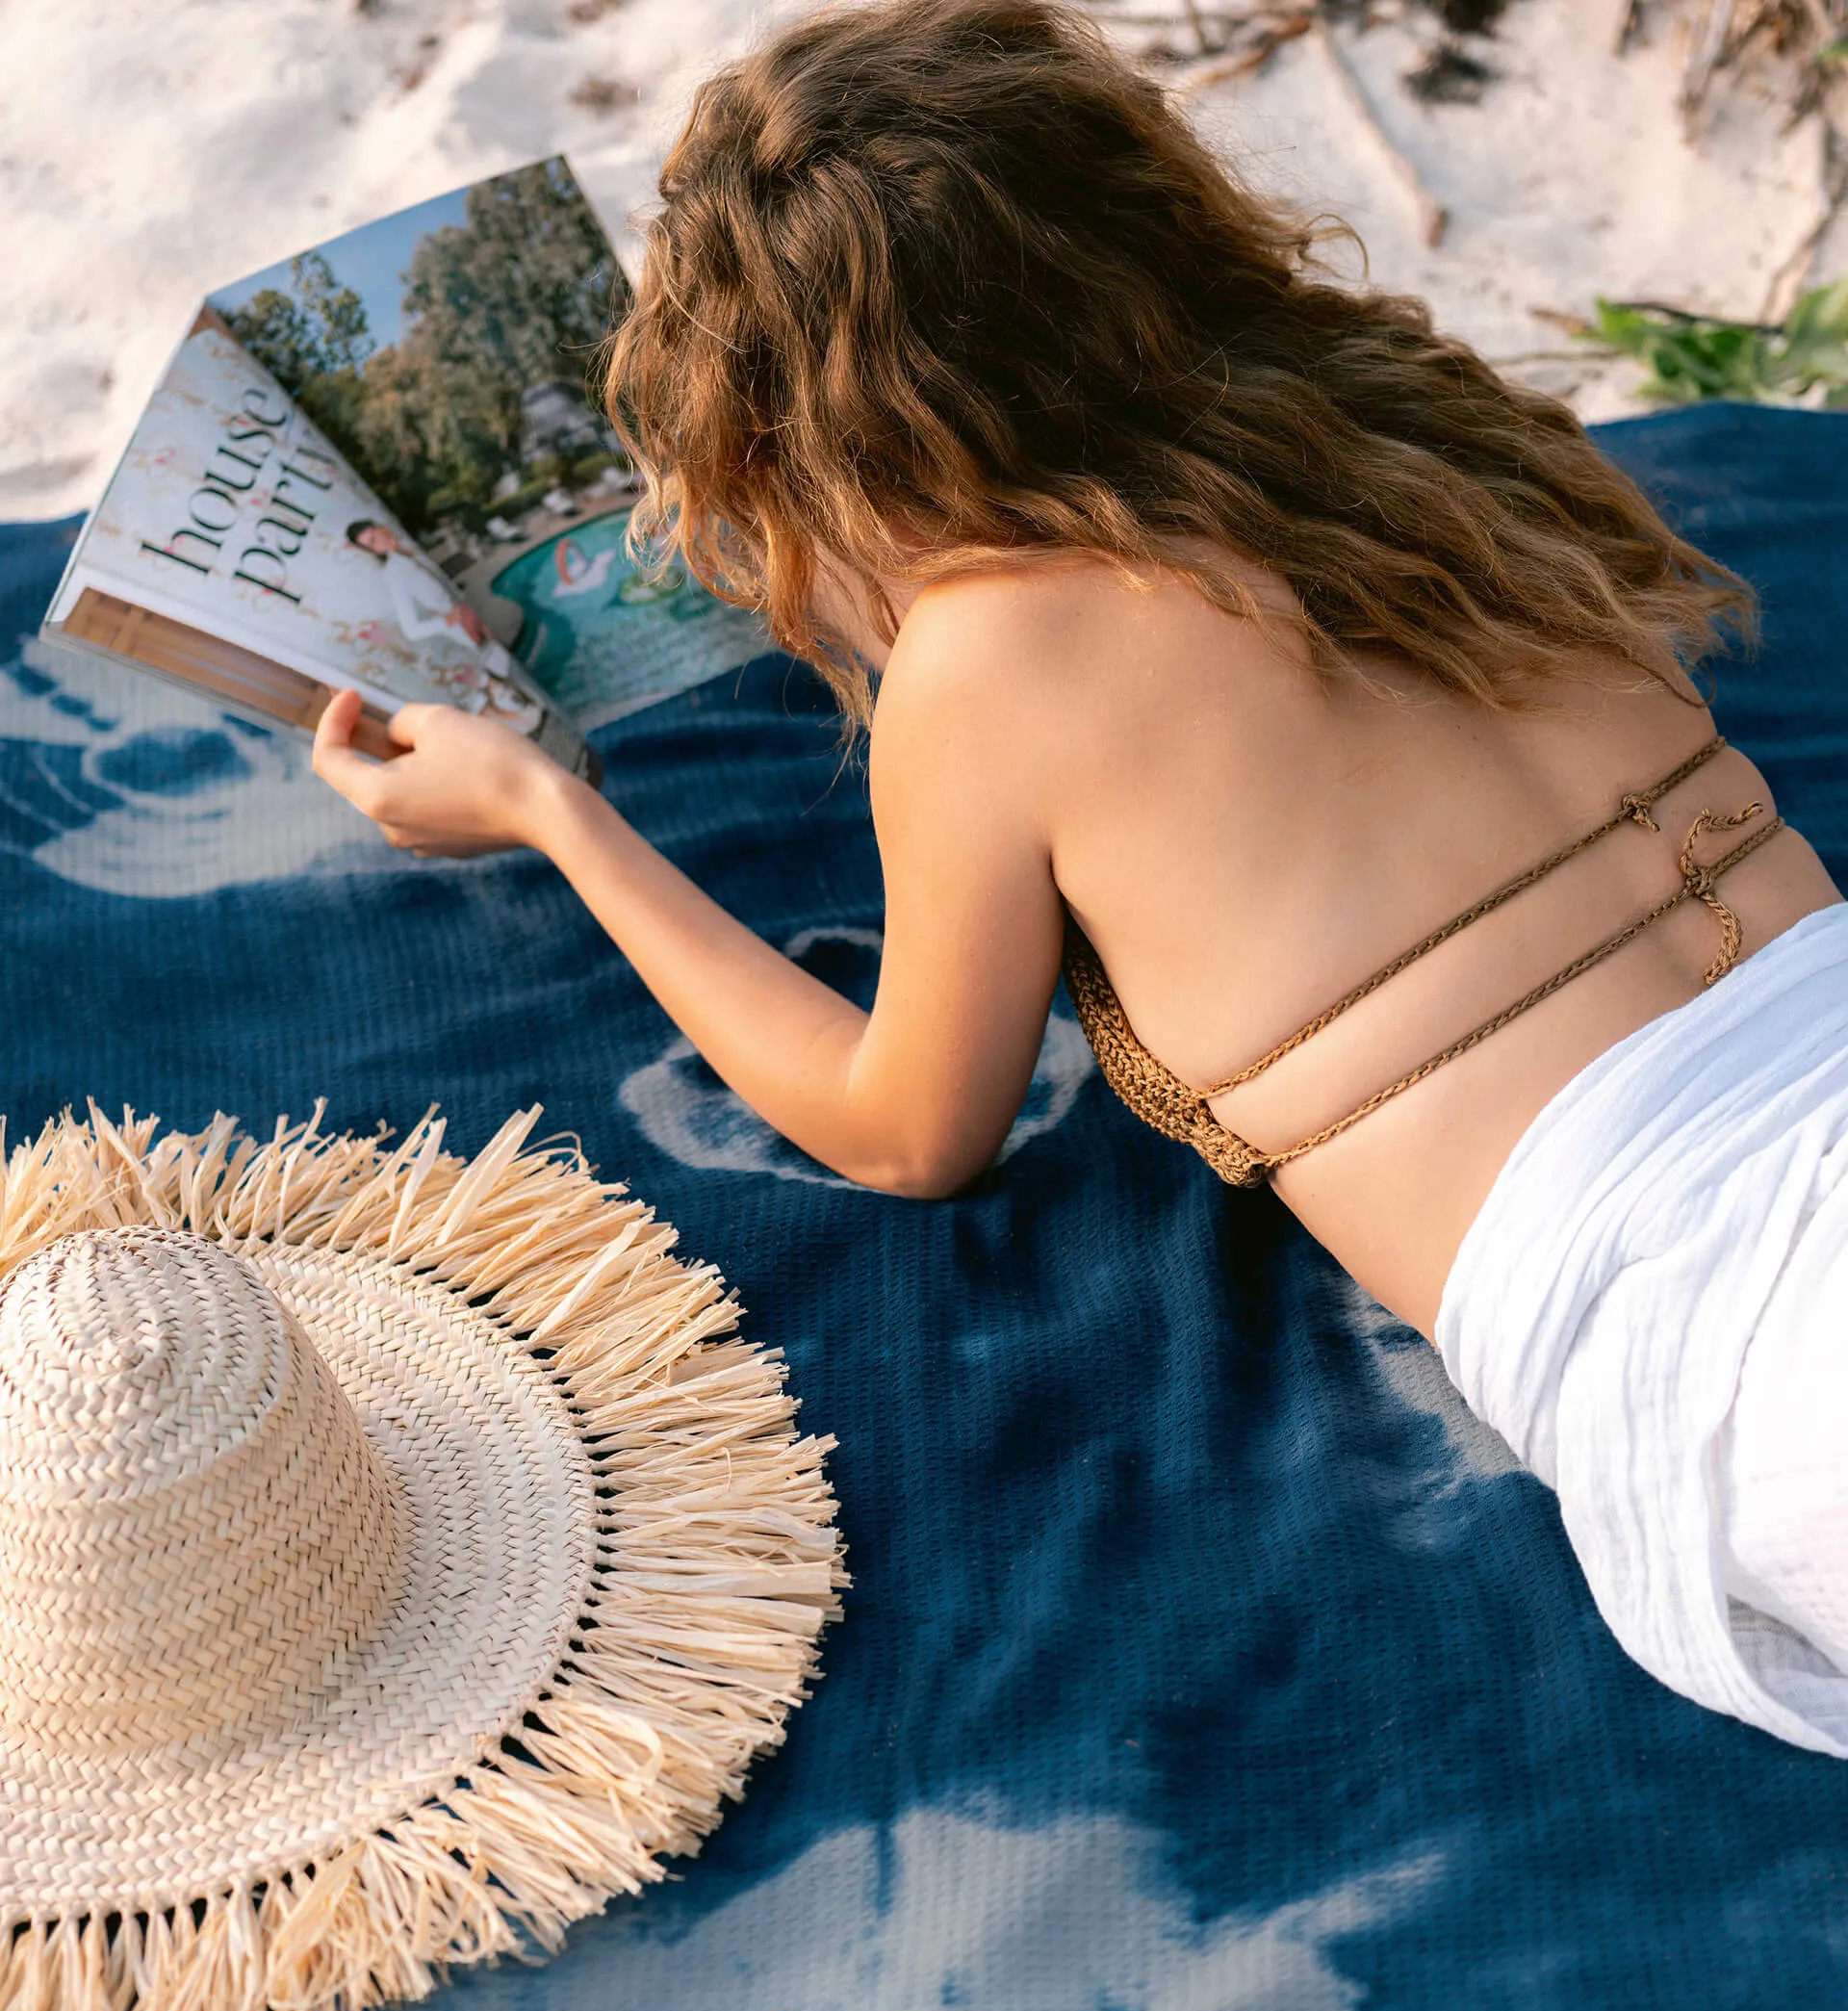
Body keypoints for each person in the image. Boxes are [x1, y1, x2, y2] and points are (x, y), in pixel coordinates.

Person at [314, 0, 1848, 1754]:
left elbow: (908, 1129)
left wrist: (552, 815)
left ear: (814, 429)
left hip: (1710, 1309)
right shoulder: (1417, 426)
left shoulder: (988, 668)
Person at [343, 518, 545, 735]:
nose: (380, 541)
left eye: (376, 534)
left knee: (507, 661)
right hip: (458, 626)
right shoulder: (394, 573)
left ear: (382, 527)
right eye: (372, 543)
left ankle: (537, 707)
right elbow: (411, 629)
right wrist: (445, 621)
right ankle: (534, 717)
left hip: (467, 613)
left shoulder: (409, 554)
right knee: (502, 667)